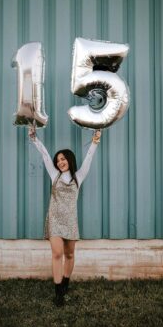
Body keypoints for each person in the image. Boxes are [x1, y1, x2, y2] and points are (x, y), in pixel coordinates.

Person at [28, 125, 101, 306]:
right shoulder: (54, 176)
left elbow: (89, 158)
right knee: (57, 253)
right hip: (54, 219)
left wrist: (95, 141)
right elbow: (45, 155)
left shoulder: (78, 177)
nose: (60, 162)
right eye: (58, 160)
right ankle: (58, 293)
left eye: (63, 159)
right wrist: (34, 138)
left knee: (69, 255)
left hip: (70, 221)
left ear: (69, 159)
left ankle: (66, 283)